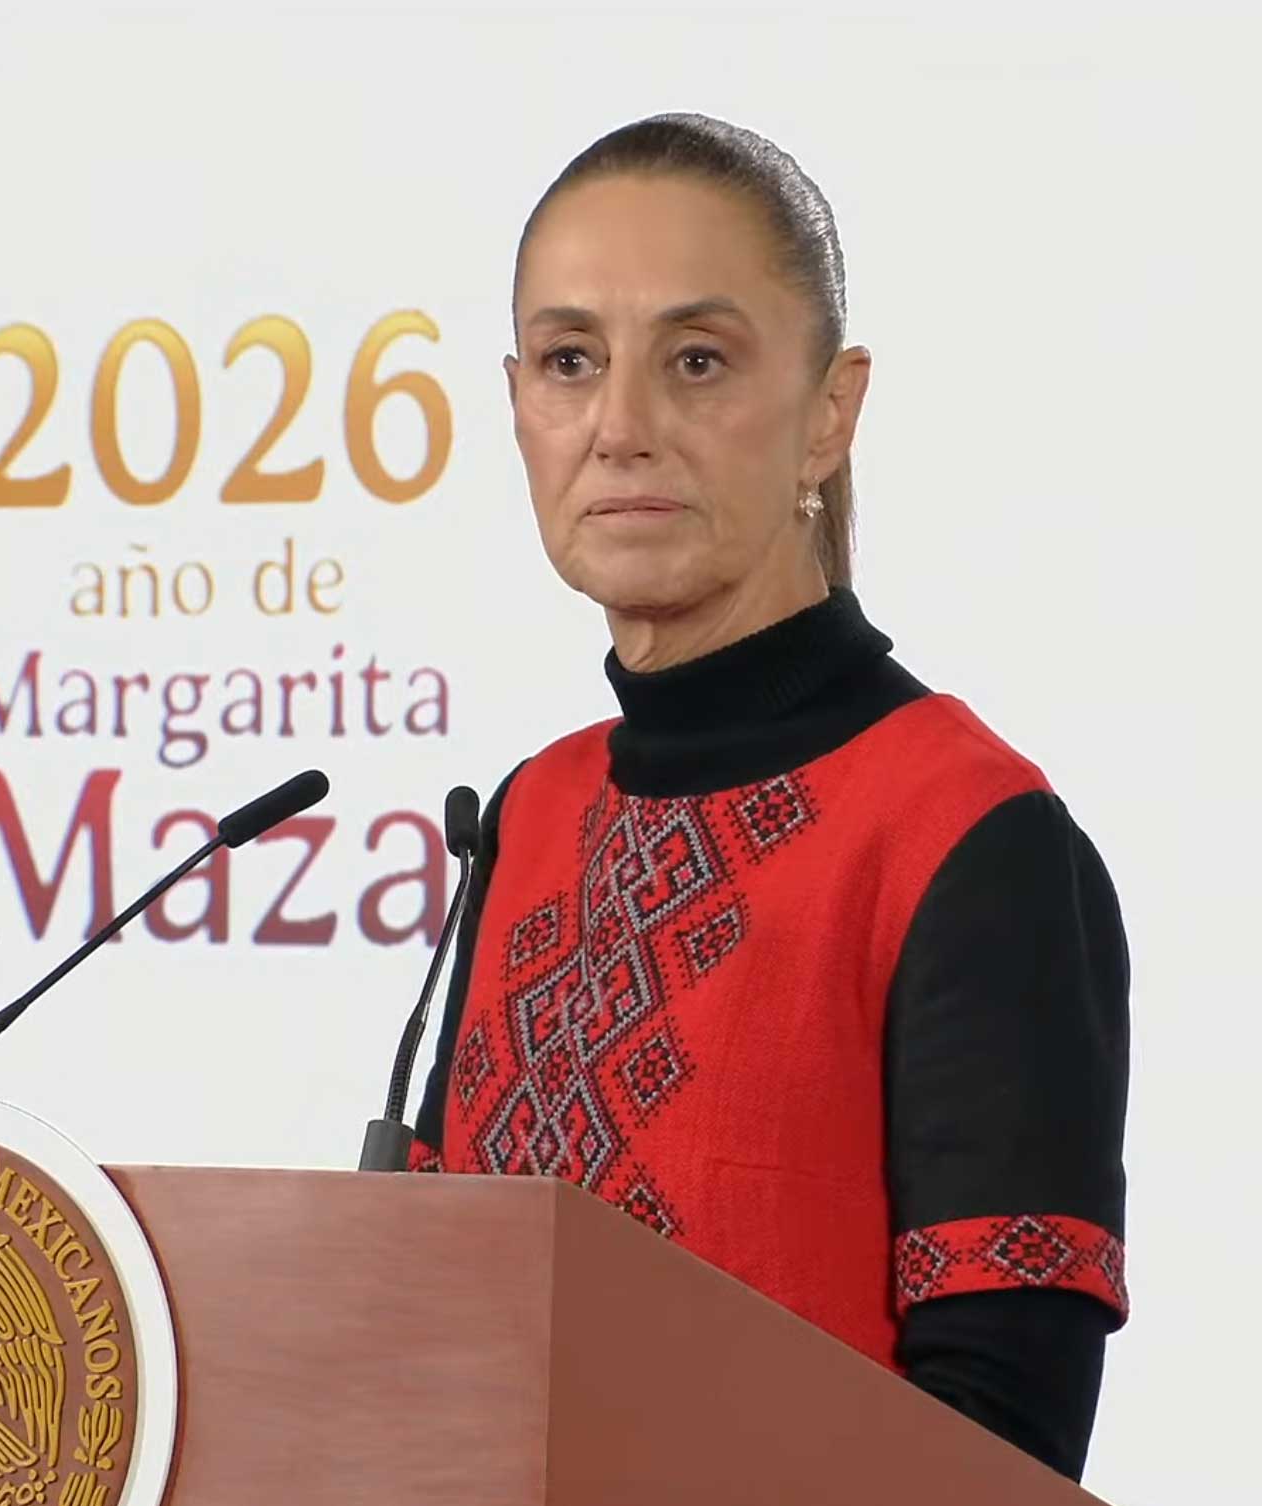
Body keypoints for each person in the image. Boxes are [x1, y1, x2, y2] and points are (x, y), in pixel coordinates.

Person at [410, 116, 1128, 1480]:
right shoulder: (530, 813)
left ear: (829, 414)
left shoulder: (970, 838)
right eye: (570, 361)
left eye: (696, 360)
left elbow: (1000, 1449)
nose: (620, 429)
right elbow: (432, 1327)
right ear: (516, 405)